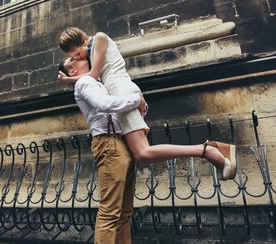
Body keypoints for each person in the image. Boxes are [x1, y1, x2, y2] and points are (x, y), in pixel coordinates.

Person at [58, 27, 237, 179]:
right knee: (140, 153)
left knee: (142, 152)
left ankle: (208, 150)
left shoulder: (100, 38)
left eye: (76, 54)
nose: (79, 58)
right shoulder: (90, 51)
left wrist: (68, 80)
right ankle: (208, 151)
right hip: (121, 94)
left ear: (80, 41)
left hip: (121, 91)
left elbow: (95, 75)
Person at [59, 55, 156, 244]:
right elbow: (104, 105)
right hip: (108, 144)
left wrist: (140, 105)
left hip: (123, 141)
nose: (83, 56)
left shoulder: (97, 80)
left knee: (124, 212)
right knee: (110, 213)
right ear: (71, 68)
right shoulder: (85, 84)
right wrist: (136, 99)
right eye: (75, 57)